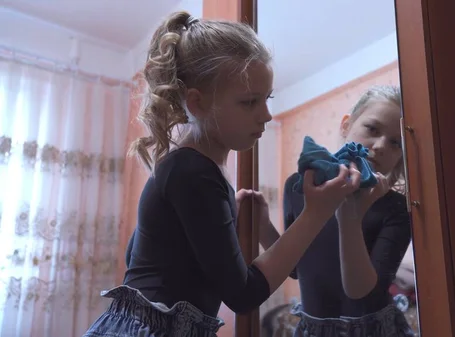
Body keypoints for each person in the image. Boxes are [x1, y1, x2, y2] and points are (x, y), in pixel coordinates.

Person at [82, 11, 363, 337]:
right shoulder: (193, 172)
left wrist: (245, 225)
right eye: (249, 102)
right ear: (197, 103)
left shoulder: (186, 168)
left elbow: (141, 256)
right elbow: (243, 295)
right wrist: (317, 212)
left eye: (267, 98)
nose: (267, 115)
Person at [261, 85, 415, 337]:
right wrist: (261, 225)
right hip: (314, 329)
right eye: (372, 129)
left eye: (395, 143)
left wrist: (349, 219)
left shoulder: (395, 207)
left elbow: (363, 293)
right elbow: (296, 268)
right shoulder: (300, 186)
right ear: (346, 125)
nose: (379, 146)